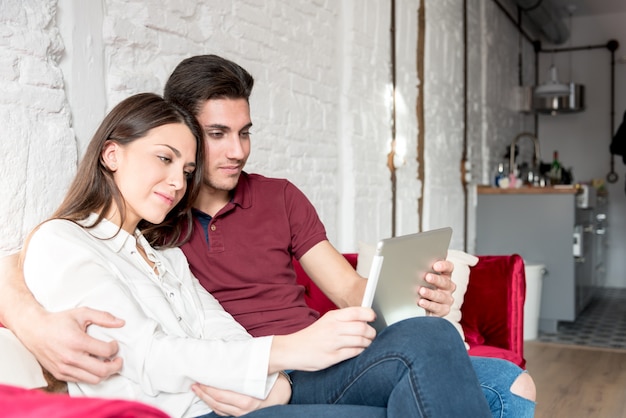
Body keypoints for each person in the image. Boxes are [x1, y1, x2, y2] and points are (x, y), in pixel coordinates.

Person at [1, 55, 535, 416]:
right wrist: (33, 322)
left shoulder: (264, 203)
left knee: (488, 372)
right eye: (215, 136)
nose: (236, 150)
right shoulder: (153, 227)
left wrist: (418, 298)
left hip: (305, 359)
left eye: (245, 133)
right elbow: (37, 258)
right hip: (267, 370)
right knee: (478, 380)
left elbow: (351, 292)